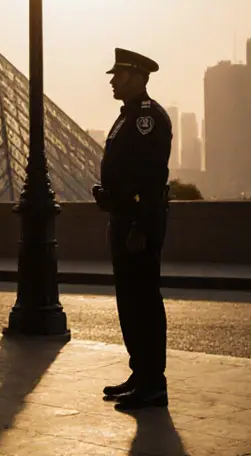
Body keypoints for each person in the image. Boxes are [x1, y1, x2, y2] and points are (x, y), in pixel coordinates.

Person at [91, 48, 173, 410]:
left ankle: (154, 383)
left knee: (144, 302)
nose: (112, 81)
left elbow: (152, 178)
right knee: (128, 301)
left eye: (119, 75)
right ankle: (140, 373)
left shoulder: (147, 118)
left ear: (139, 77)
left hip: (139, 221)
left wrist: (140, 224)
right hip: (123, 217)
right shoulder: (126, 117)